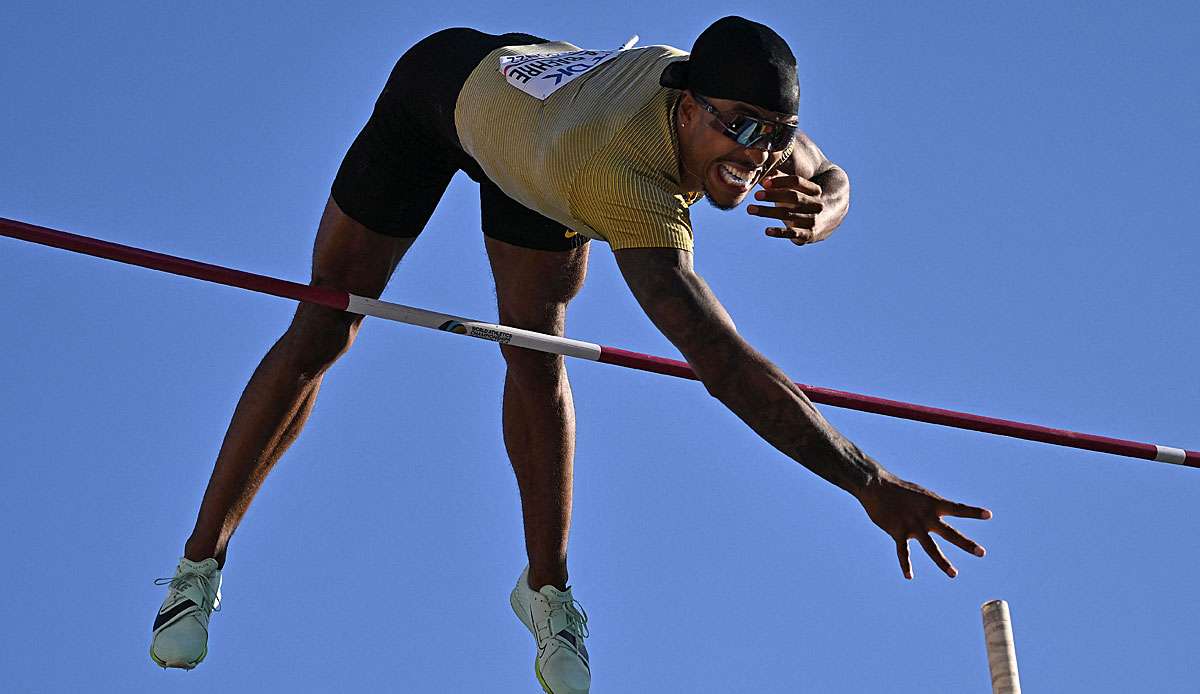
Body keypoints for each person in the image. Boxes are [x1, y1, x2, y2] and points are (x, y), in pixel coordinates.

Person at [150, 16, 991, 693]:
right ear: (687, 106)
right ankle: (198, 567)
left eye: (773, 136)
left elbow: (826, 168)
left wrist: (829, 201)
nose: (756, 154)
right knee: (326, 322)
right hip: (441, 99)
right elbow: (721, 362)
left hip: (542, 150)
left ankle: (546, 593)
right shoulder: (621, 183)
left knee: (535, 353)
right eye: (738, 128)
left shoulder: (735, 117)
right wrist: (867, 481)